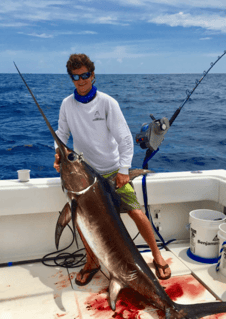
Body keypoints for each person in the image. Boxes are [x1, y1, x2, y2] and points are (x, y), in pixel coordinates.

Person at [53, 53, 171, 285]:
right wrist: (58, 154)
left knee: (137, 212)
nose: (81, 80)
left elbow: (125, 139)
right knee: (82, 221)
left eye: (85, 75)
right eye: (75, 76)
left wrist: (124, 170)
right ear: (71, 78)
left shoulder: (107, 103)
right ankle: (92, 261)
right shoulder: (67, 104)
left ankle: (157, 256)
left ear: (93, 74)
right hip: (84, 176)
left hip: (111, 171)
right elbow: (61, 134)